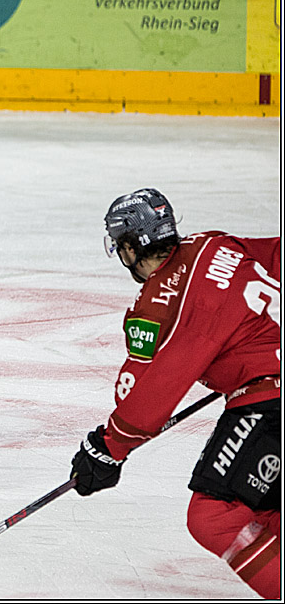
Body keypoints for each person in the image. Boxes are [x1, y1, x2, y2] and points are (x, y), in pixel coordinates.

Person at [70, 188, 280, 599]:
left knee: (213, 515)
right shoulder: (215, 243)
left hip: (269, 401)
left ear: (130, 247)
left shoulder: (156, 305)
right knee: (264, 510)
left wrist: (108, 448)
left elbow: (151, 389)